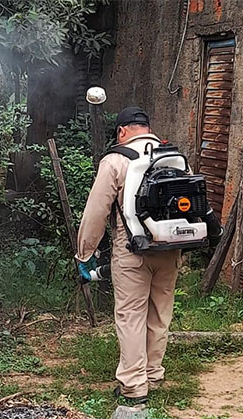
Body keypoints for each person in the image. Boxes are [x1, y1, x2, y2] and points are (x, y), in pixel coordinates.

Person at [75, 106, 181, 404]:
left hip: (132, 250)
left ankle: (134, 387)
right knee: (159, 314)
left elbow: (96, 211)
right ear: (147, 128)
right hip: (169, 247)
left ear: (122, 132)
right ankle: (154, 375)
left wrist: (85, 254)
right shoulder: (170, 155)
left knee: (131, 316)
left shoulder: (116, 160)